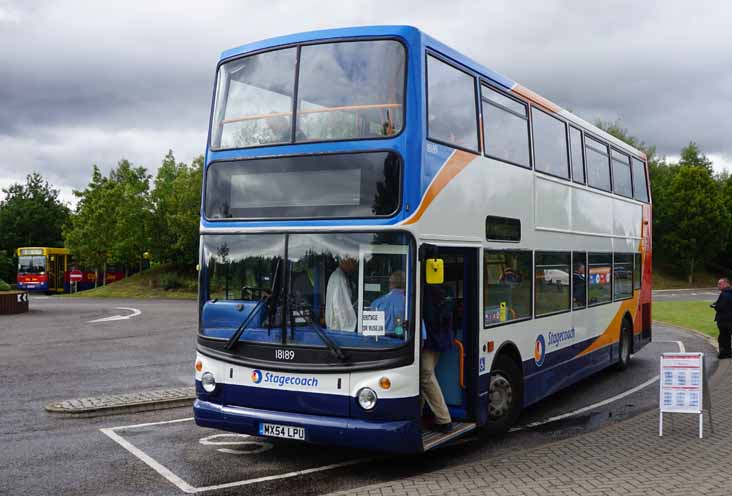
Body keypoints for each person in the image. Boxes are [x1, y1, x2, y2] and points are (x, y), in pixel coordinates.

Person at [421, 282, 455, 433]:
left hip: (430, 340)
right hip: (441, 339)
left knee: (425, 376)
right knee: (423, 377)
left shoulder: (426, 291)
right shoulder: (443, 289)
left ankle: (443, 419)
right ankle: (417, 415)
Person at [370, 271, 406, 337]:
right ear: (405, 285)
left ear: (390, 284)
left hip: (381, 344)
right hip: (404, 343)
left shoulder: (377, 303)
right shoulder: (411, 304)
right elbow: (421, 336)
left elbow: (371, 332)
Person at [325, 257, 357, 331]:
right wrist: (346, 328)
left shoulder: (341, 276)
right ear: (346, 261)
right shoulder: (339, 278)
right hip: (339, 329)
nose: (354, 265)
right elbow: (339, 306)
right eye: (353, 262)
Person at [711, 278, 732, 359]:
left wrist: (714, 306)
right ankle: (728, 352)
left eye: (719, 284)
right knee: (727, 336)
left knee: (723, 337)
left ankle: (723, 353)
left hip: (724, 319)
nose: (718, 285)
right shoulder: (729, 293)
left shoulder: (724, 294)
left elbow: (721, 307)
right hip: (729, 318)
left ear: (726, 284)